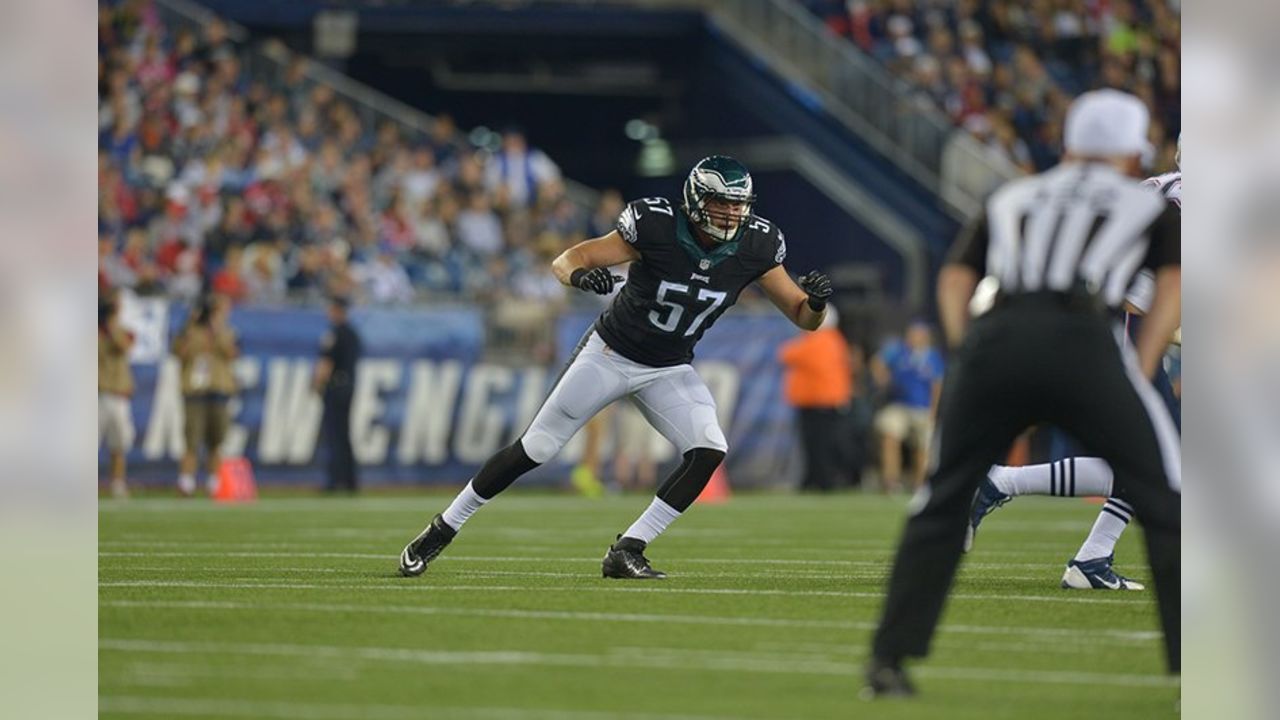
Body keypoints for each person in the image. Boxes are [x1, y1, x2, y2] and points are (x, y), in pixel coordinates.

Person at [864, 90, 1181, 696]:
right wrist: (1139, 368)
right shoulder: (1150, 207)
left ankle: (888, 662)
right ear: (1130, 151)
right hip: (1086, 344)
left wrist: (966, 351)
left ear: (1068, 145)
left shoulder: (1014, 194)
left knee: (940, 499)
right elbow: (1171, 288)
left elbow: (956, 276)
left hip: (997, 342)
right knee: (1166, 497)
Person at [398, 155, 832, 579]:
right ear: (697, 200)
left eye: (739, 204)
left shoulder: (757, 244)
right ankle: (443, 528)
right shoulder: (656, 224)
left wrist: (814, 302)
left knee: (709, 449)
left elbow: (803, 318)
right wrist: (582, 278)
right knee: (537, 448)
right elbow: (567, 260)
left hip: (669, 367)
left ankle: (628, 549)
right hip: (611, 353)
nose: (732, 212)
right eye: (722, 202)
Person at [964, 136, 1184, 591]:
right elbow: (1142, 288)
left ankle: (1087, 557)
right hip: (1119, 320)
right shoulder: (1185, 197)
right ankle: (1006, 487)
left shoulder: (1167, 187)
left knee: (1161, 459)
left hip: (1107, 317)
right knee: (1162, 459)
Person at [778, 305, 853, 492]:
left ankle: (823, 481)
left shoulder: (820, 340)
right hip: (823, 401)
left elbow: (787, 354)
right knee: (819, 445)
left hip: (819, 402)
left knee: (818, 446)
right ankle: (815, 479)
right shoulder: (834, 340)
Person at [173, 293, 239, 496]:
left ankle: (213, 481)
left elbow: (231, 353)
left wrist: (216, 331)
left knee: (216, 440)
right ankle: (186, 481)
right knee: (192, 438)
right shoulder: (190, 331)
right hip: (195, 389)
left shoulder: (226, 331)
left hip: (218, 388)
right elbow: (180, 352)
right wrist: (191, 326)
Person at [870, 320, 944, 493]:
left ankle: (920, 485)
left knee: (923, 446)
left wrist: (934, 410)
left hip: (923, 408)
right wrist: (883, 378)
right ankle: (891, 481)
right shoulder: (898, 351)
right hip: (900, 405)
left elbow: (937, 385)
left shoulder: (932, 357)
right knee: (890, 434)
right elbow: (877, 362)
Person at [313, 296, 362, 493]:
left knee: (334, 435)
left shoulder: (334, 333)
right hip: (348, 386)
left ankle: (334, 482)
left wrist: (317, 384)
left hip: (335, 387)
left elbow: (327, 362)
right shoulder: (353, 334)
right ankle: (350, 481)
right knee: (344, 434)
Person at [98, 293, 135, 499]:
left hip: (118, 394)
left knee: (118, 445)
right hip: (95, 394)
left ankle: (118, 483)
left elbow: (123, 346)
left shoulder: (123, 332)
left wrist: (111, 325)